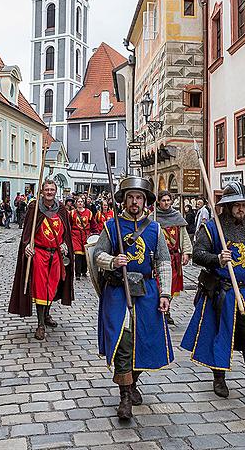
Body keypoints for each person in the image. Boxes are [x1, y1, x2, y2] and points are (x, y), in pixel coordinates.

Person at [181, 182, 245, 411]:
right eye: (236, 205)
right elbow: (198, 254)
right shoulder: (212, 228)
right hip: (222, 293)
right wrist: (217, 259)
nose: (241, 209)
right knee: (221, 334)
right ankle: (219, 377)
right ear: (226, 206)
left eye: (244, 205)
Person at [91, 176, 173, 421]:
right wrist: (113, 261)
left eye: (139, 197)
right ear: (124, 200)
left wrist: (166, 293)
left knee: (142, 339)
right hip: (118, 291)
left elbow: (163, 262)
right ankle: (124, 395)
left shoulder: (155, 229)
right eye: (130, 197)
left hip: (146, 291)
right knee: (123, 341)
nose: (135, 201)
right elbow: (97, 255)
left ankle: (133, 381)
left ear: (145, 200)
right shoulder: (112, 225)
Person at [8, 179, 74, 340]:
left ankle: (46, 315)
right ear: (42, 191)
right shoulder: (34, 208)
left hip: (56, 255)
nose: (49, 192)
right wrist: (27, 246)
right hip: (40, 254)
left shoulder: (62, 209)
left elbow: (66, 231)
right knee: (40, 289)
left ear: (55, 191)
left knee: (52, 287)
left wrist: (65, 243)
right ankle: (40, 324)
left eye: (52, 189)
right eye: (47, 189)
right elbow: (27, 232)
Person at [156, 190, 193, 325]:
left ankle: (167, 310)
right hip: (158, 258)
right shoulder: (153, 217)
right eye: (163, 200)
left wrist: (186, 252)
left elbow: (183, 236)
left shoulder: (177, 217)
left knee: (171, 286)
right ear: (158, 202)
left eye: (168, 200)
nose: (166, 203)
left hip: (174, 258)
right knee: (159, 284)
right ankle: (160, 309)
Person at [71, 196, 98, 281]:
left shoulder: (89, 213)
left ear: (83, 203)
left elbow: (93, 224)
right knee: (78, 253)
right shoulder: (72, 213)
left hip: (86, 235)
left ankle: (84, 270)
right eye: (78, 201)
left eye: (81, 201)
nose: (80, 203)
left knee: (85, 253)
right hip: (75, 235)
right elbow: (69, 224)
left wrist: (95, 232)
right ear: (76, 203)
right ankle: (77, 273)